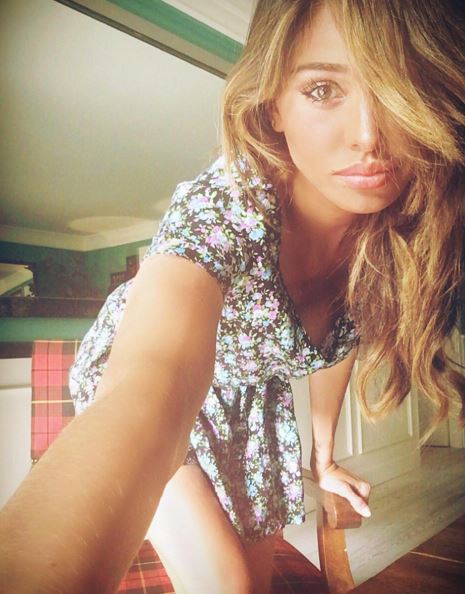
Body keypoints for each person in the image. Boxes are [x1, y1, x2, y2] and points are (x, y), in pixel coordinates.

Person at [1, 1, 465, 593]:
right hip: (166, 392)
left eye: (401, 89)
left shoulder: (400, 235)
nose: (369, 137)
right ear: (274, 105)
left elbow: (339, 344)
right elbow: (152, 385)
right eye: (323, 90)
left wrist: (323, 458)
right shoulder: (225, 206)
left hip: (253, 404)